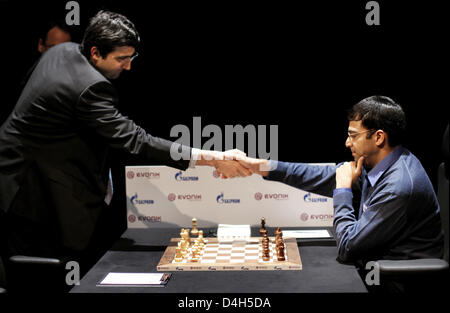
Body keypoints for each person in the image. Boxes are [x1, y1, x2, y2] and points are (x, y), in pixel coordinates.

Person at [0, 10, 250, 276]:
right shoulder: (89, 88)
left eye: (131, 57)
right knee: (39, 275)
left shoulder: (61, 51)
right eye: (122, 59)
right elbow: (136, 139)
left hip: (18, 169)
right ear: (95, 52)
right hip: (29, 191)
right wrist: (211, 158)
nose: (128, 66)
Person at [239, 96, 444, 268]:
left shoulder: (399, 186)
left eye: (353, 136)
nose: (347, 143)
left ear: (379, 137)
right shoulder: (382, 163)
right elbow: (318, 175)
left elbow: (348, 248)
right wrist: (261, 166)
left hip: (394, 280)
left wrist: (343, 189)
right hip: (375, 263)